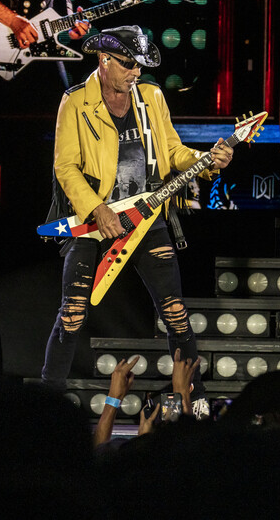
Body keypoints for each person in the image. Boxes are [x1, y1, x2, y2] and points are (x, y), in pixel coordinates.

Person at [40, 26, 234, 416]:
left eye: (140, 66)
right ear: (104, 60)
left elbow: (172, 150)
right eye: (129, 65)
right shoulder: (75, 101)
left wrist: (205, 161)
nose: (136, 73)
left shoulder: (151, 96)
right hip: (94, 222)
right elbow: (65, 166)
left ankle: (193, 400)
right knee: (72, 314)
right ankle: (45, 404)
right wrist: (97, 209)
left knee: (175, 313)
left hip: (147, 218)